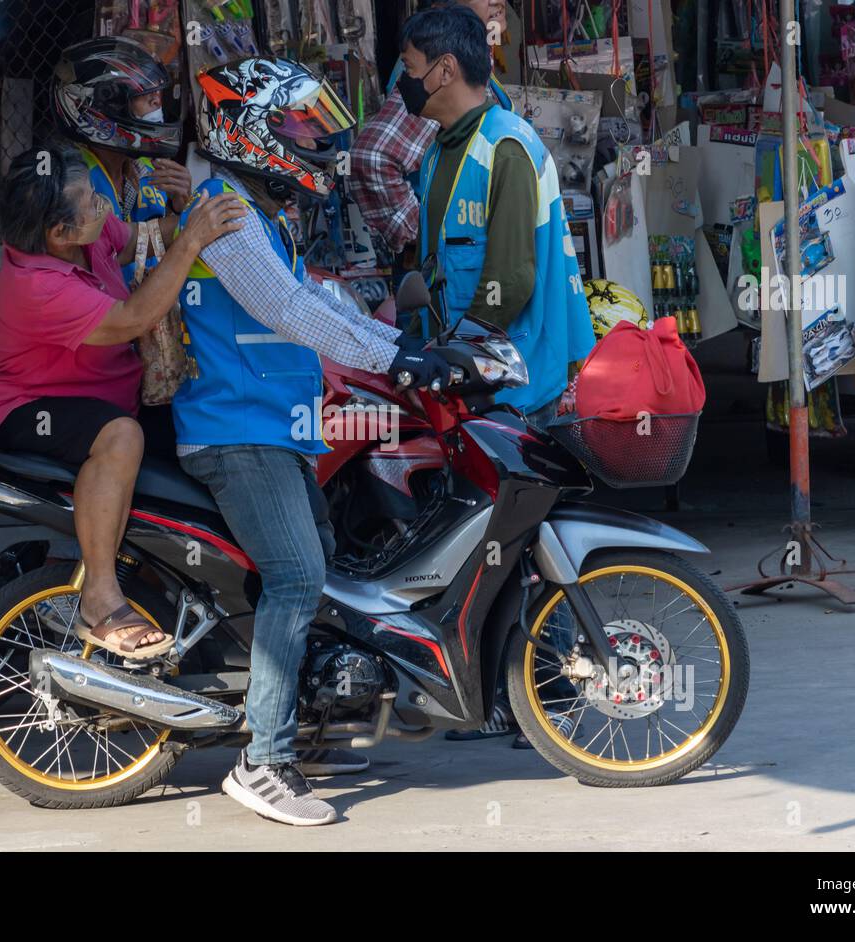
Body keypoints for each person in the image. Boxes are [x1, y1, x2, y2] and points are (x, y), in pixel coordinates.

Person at [176, 57, 452, 826]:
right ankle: (262, 762)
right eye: (301, 122)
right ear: (251, 131)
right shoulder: (223, 214)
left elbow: (316, 304)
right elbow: (290, 312)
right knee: (299, 576)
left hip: (272, 431)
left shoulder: (259, 213)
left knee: (316, 567)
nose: (320, 137)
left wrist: (408, 350)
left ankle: (291, 709)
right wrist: (394, 356)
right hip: (237, 433)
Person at [401, 4, 595, 747]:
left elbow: (507, 281)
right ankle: (494, 696)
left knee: (514, 548)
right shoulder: (441, 151)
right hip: (466, 380)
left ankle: (538, 698)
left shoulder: (504, 148)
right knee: (484, 543)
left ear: (445, 69)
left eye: (413, 69)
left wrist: (453, 352)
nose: (406, 82)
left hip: (513, 380)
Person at [0, 145, 244, 657]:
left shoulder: (87, 240)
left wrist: (185, 210)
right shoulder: (35, 285)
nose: (103, 205)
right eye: (90, 203)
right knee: (122, 436)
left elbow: (148, 239)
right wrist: (190, 240)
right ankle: (99, 597)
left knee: (202, 424)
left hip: (108, 395)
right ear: (58, 232)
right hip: (31, 406)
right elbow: (134, 317)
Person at [351, 0, 511, 258]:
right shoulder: (435, 71)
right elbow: (372, 157)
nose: (497, 2)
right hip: (445, 276)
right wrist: (429, 239)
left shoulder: (466, 61)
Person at [53, 37, 194, 282]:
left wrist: (179, 206)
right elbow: (111, 252)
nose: (157, 102)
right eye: (145, 95)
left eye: (158, 93)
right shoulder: (72, 180)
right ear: (106, 105)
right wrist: (189, 222)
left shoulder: (150, 169)